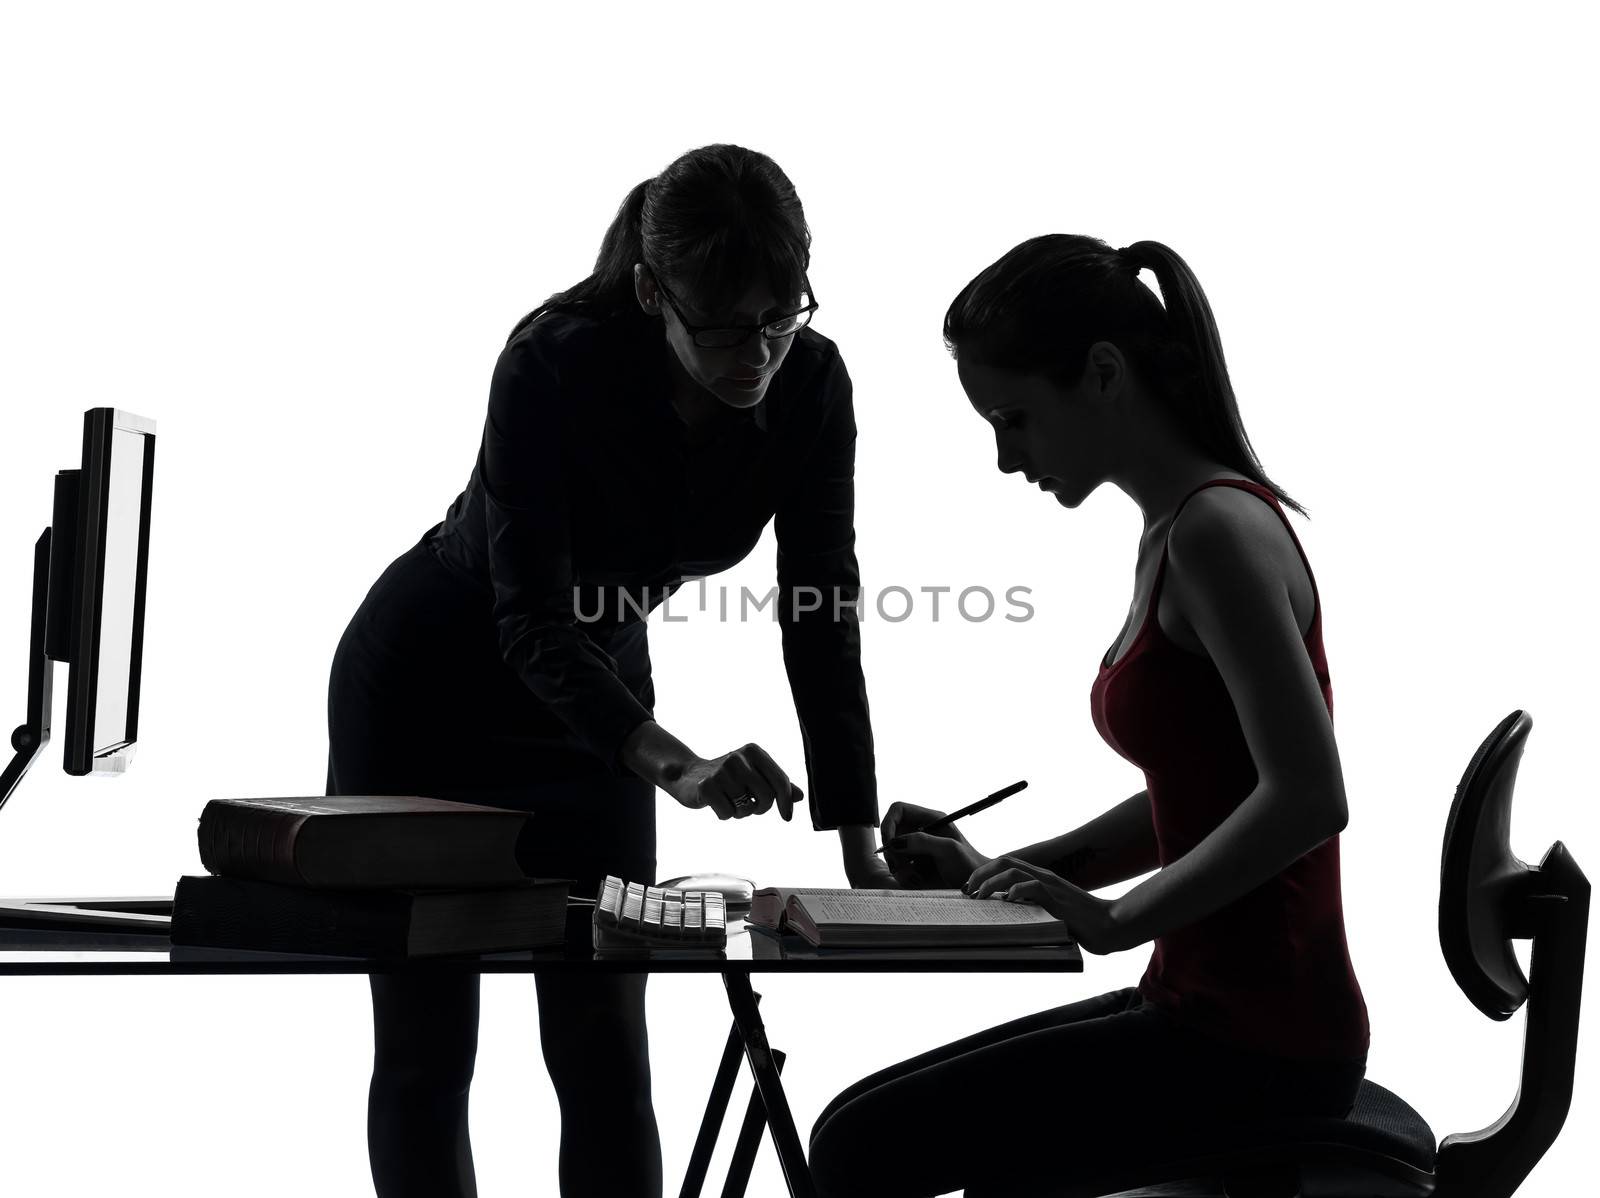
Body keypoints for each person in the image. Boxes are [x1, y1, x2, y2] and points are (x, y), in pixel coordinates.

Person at [325, 143, 890, 1198]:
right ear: (649, 290)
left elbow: (822, 605)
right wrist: (675, 764)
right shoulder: (553, 359)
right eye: (726, 326)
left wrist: (857, 836)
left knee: (602, 1048)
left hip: (601, 709)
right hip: (429, 690)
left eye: (781, 315)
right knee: (426, 1045)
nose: (757, 350)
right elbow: (530, 616)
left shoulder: (812, 381)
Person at [807, 235, 1369, 1197]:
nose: (1003, 456)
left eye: (1013, 418)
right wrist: (1003, 872)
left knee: (859, 1148)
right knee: (858, 1132)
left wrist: (1112, 920)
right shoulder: (1178, 530)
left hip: (1262, 1045)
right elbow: (1205, 793)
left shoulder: (1216, 532)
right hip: (1204, 1010)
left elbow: (1310, 797)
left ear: (1102, 374)